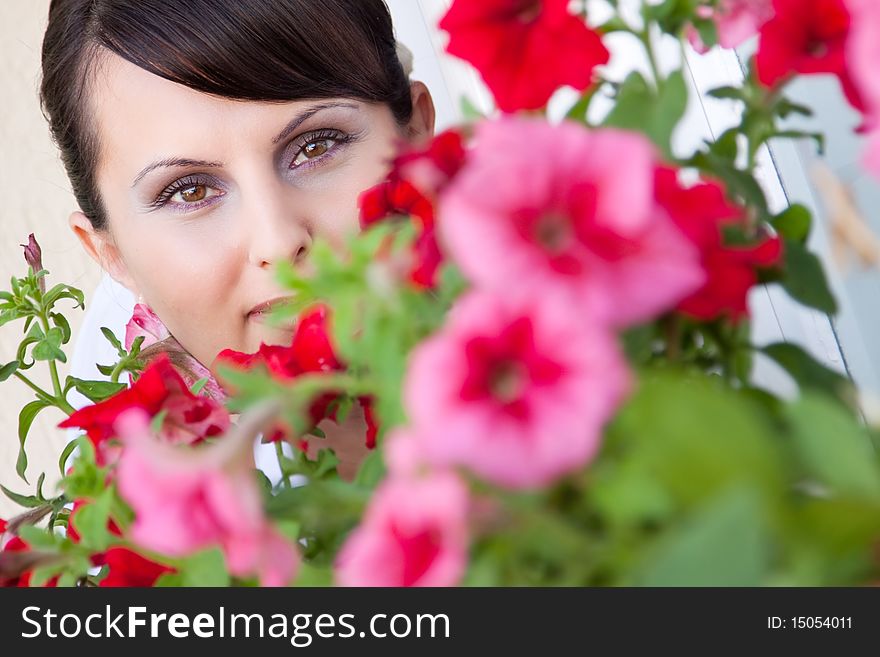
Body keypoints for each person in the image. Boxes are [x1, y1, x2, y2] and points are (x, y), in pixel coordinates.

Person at [40, 0, 437, 478]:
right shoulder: (136, 490)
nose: (278, 241)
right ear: (113, 257)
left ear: (416, 136)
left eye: (317, 145)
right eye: (191, 190)